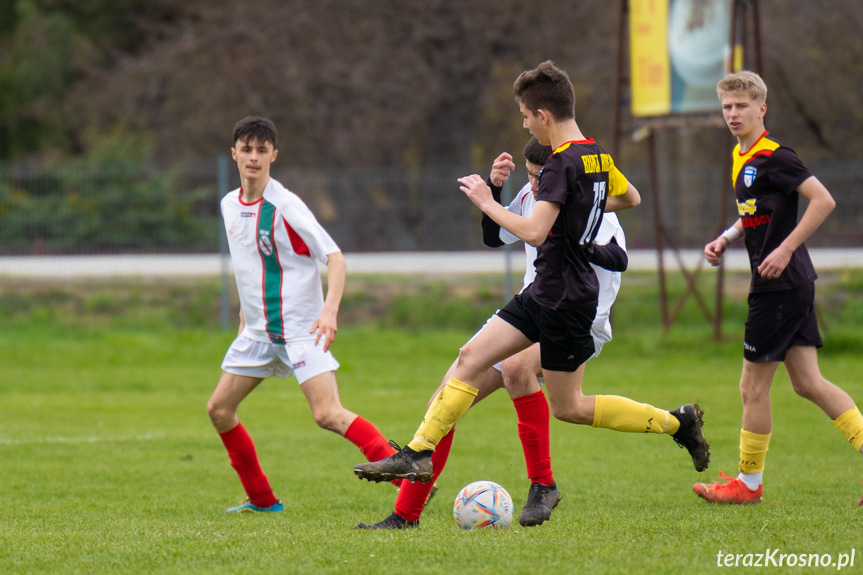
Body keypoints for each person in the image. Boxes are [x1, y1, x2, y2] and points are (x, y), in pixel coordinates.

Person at [353, 61, 710, 516]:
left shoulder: (562, 164)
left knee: (561, 401)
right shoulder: (594, 155)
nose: (523, 123)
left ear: (543, 115)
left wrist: (486, 200)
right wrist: (509, 199)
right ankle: (412, 478)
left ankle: (632, 443)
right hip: (541, 294)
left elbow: (542, 233)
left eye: (525, 114)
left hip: (572, 307)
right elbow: (628, 196)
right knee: (462, 369)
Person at [356, 137, 628, 530]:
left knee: (532, 379)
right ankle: (404, 517)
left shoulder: (591, 206)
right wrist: (495, 190)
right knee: (444, 402)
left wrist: (579, 248)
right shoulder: (533, 192)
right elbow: (495, 237)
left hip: (577, 318)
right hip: (527, 312)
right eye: (531, 176)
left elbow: (617, 256)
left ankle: (543, 484)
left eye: (541, 176)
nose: (534, 185)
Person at [208, 116, 404, 513]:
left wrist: (329, 312)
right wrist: (247, 314)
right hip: (259, 334)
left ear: (273, 156)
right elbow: (246, 263)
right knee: (219, 409)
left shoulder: (285, 205)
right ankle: (262, 500)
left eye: (262, 150)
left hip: (301, 330)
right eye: (246, 149)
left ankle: (410, 478)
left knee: (328, 414)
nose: (253, 157)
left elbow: (334, 258)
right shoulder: (230, 204)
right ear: (234, 154)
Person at [695, 71, 863, 505]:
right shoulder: (740, 155)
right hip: (790, 285)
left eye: (741, 107)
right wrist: (726, 238)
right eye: (727, 107)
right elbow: (752, 210)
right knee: (808, 383)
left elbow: (823, 200)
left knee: (752, 388)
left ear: (761, 109)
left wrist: (786, 248)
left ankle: (748, 486)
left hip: (780, 287)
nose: (733, 114)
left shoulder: (775, 155)